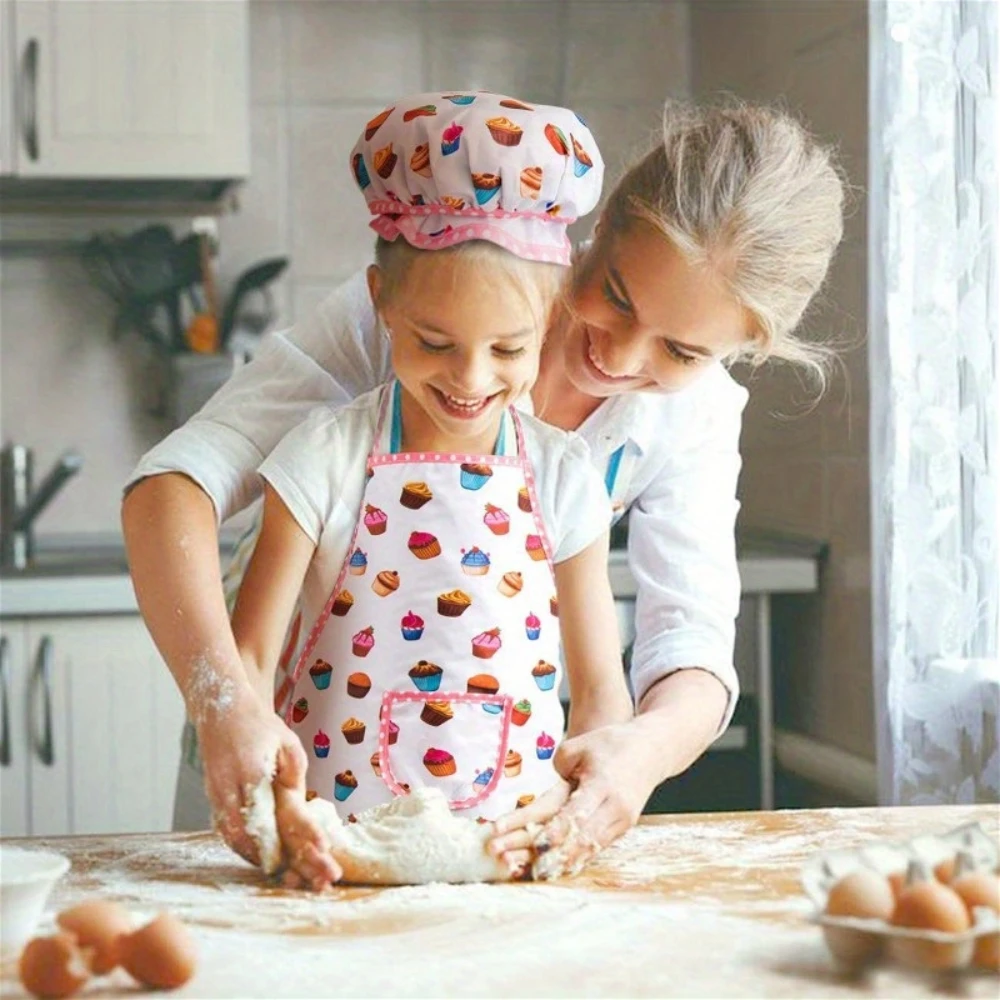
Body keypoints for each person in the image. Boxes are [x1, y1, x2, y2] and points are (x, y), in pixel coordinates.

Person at [123, 94, 845, 878]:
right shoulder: (426, 300)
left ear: (740, 351)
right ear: (593, 232)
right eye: (616, 294)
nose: (620, 356)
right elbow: (178, 484)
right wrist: (227, 702)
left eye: (680, 351)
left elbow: (690, 642)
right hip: (293, 774)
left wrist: (635, 756)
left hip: (498, 809)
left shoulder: (691, 419)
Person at [226, 93, 632, 885]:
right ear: (382, 305)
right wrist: (274, 799)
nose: (472, 379)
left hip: (514, 857)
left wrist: (583, 809)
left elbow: (599, 690)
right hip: (337, 852)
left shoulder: (564, 477)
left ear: (549, 321)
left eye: (509, 347)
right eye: (435, 342)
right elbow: (246, 658)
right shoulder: (322, 458)